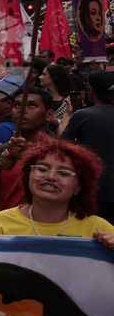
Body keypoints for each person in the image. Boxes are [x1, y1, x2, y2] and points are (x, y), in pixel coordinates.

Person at [0, 138, 114, 247]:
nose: (50, 177)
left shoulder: (98, 229)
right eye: (42, 169)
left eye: (64, 173)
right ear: (28, 176)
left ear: (79, 187)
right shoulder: (2, 221)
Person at [0, 87, 54, 214]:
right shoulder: (1, 149)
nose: (22, 110)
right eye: (17, 105)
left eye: (32, 105)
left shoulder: (60, 152)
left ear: (49, 115)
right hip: (6, 228)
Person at [63, 70, 114, 222]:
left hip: (94, 192)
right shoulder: (85, 115)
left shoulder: (82, 116)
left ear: (90, 90)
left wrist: (67, 116)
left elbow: (63, 146)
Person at [39, 63, 76, 135]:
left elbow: (70, 122)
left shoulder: (69, 99)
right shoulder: (40, 96)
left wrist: (50, 118)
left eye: (44, 75)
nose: (40, 77)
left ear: (54, 77)